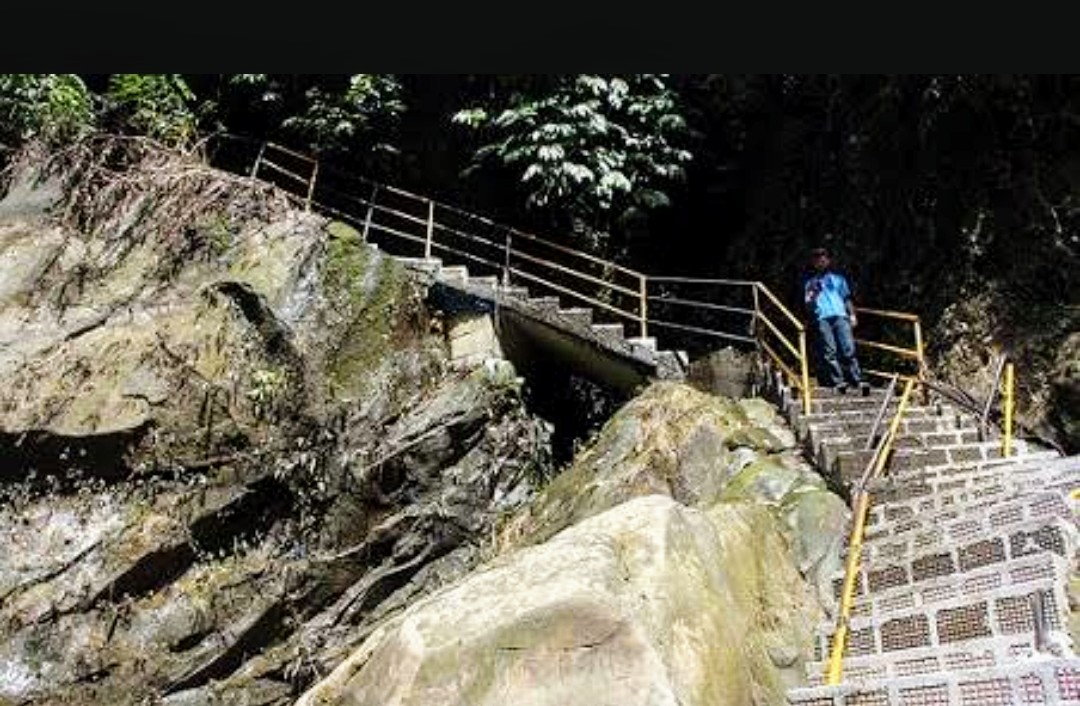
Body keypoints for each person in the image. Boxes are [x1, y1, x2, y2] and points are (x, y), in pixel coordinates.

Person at [803, 246, 870, 395]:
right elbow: (808, 306)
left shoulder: (838, 279)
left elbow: (846, 298)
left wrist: (852, 315)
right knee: (830, 351)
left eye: (823, 257)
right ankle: (838, 381)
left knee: (848, 348)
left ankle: (857, 379)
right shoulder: (810, 283)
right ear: (814, 263)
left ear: (828, 260)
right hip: (822, 318)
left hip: (841, 316)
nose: (821, 260)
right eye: (817, 258)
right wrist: (813, 295)